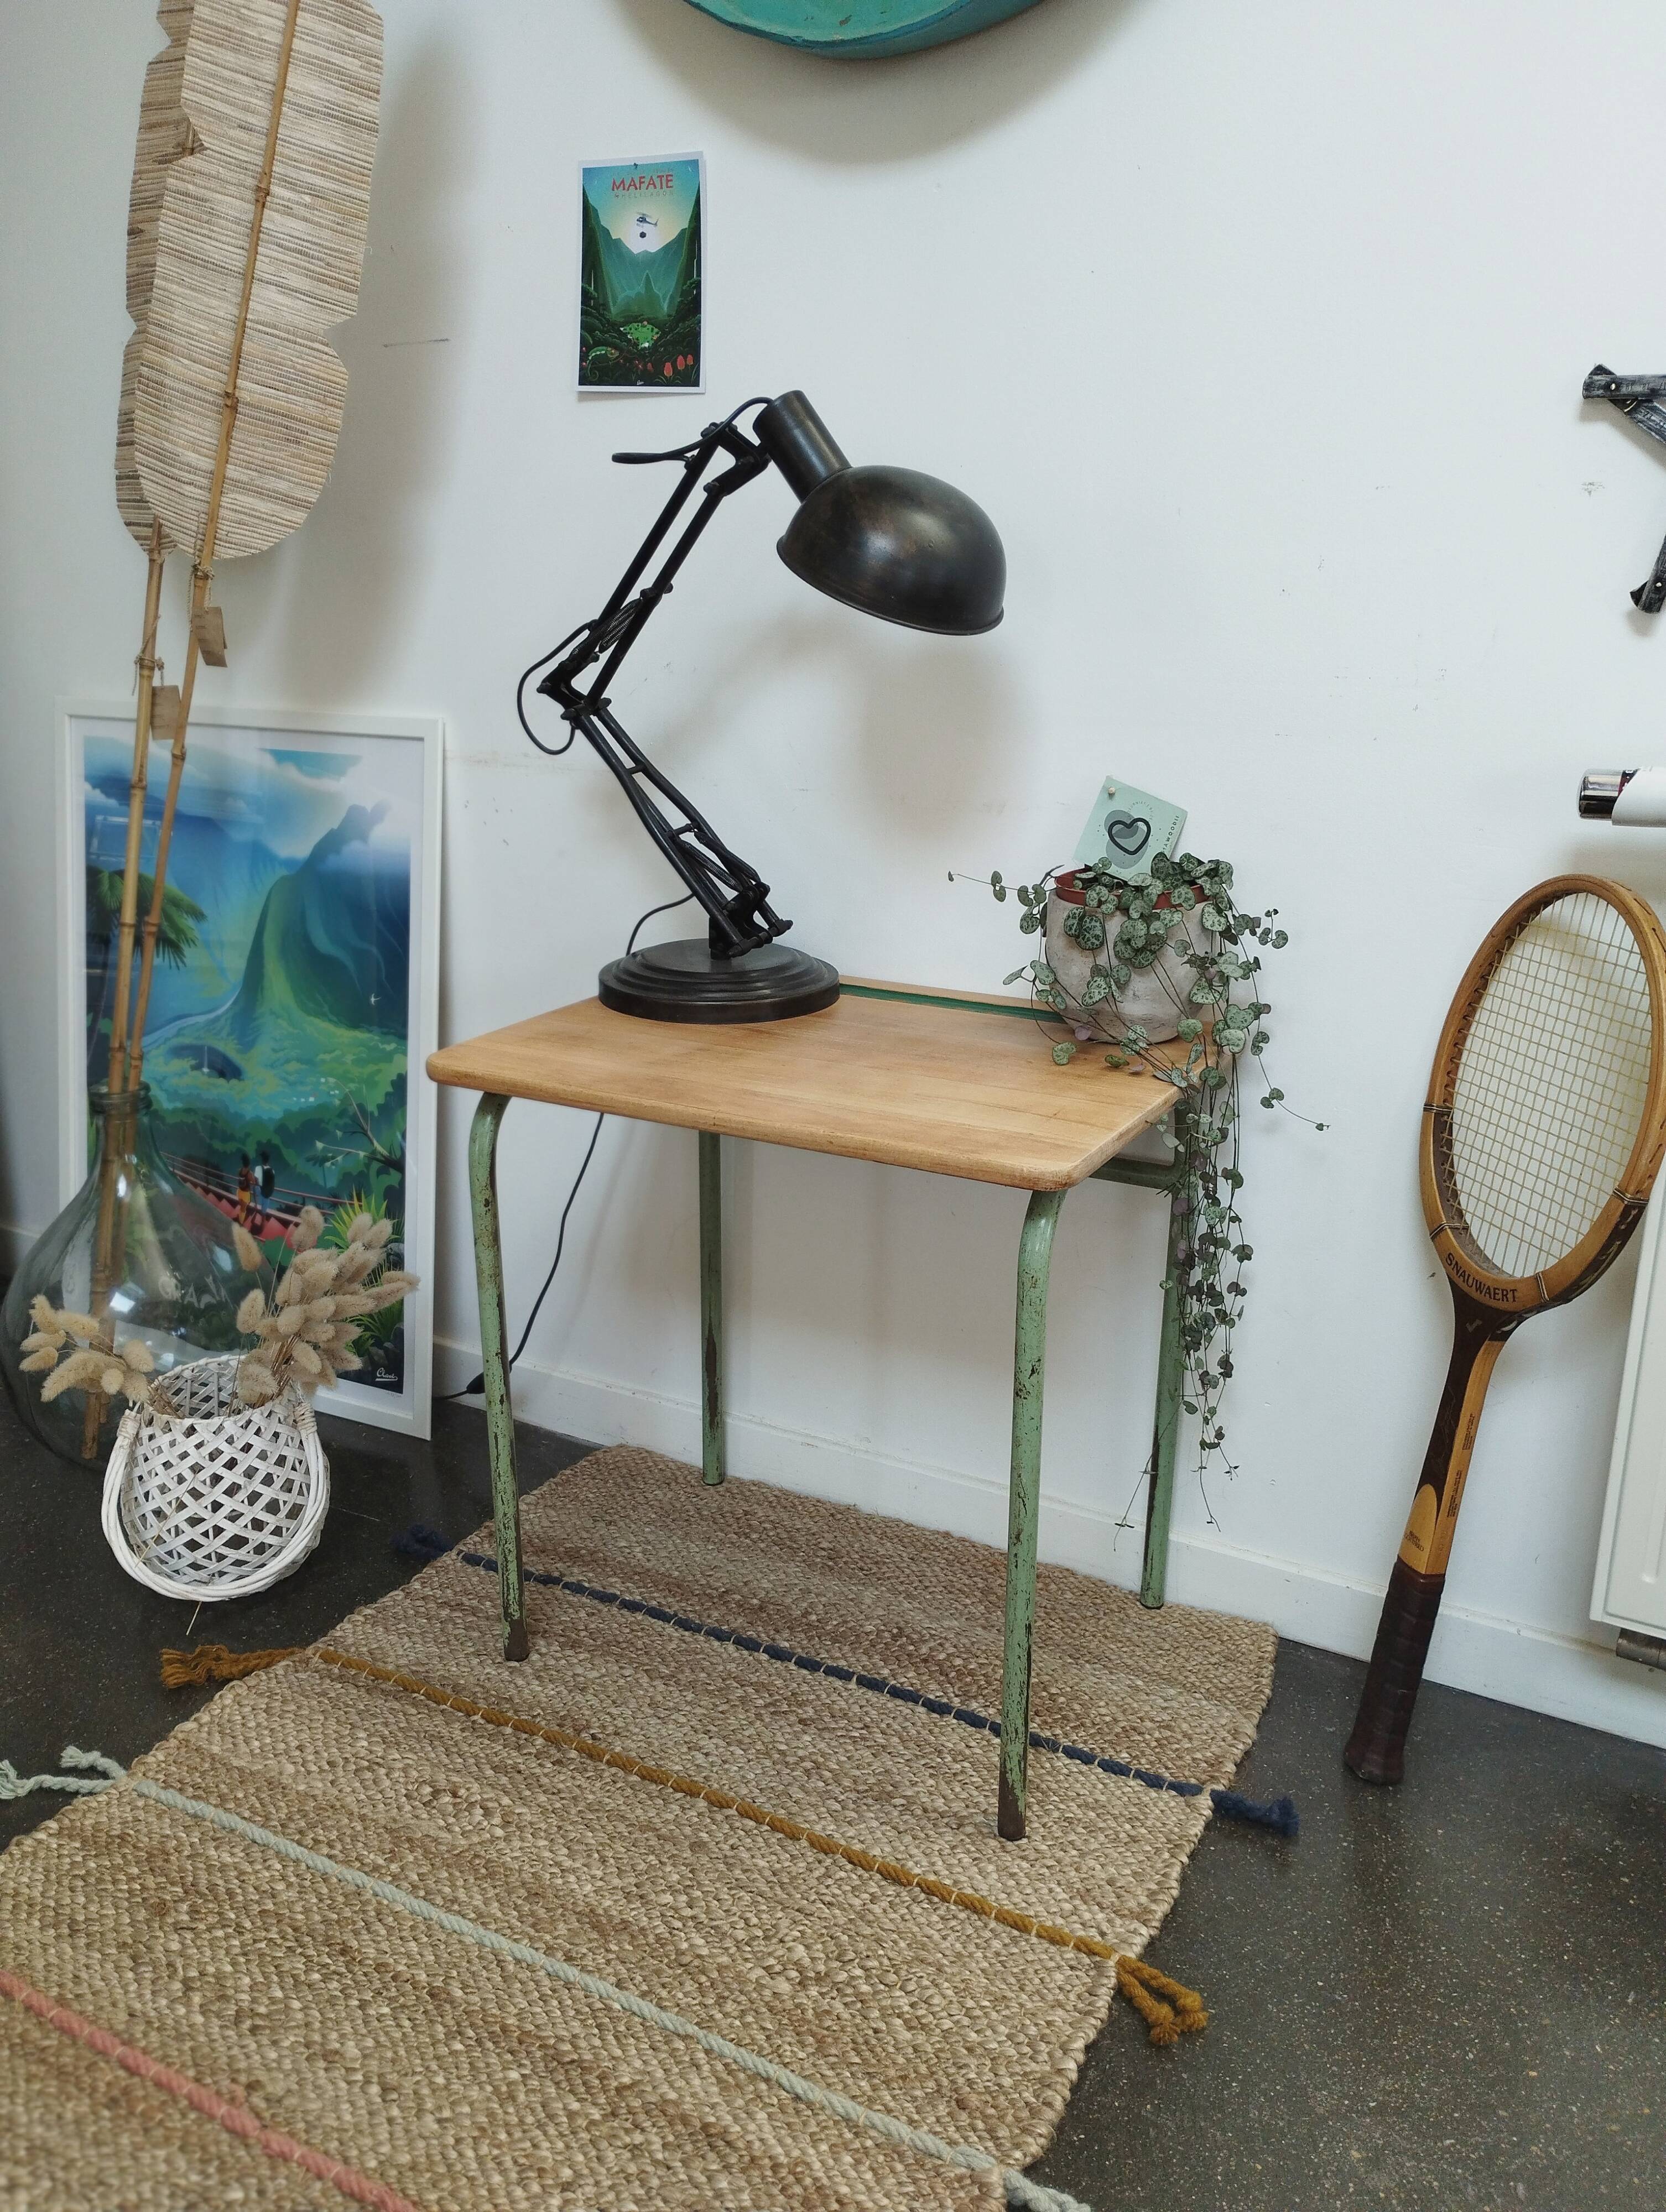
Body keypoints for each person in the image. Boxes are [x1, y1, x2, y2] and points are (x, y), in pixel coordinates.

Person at [235, 1155, 254, 1224]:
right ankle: (241, 1222)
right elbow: (254, 1182)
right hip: (245, 1194)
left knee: (241, 1207)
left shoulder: (240, 1170)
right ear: (249, 1164)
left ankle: (240, 1218)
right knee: (243, 1209)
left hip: (239, 1191)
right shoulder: (250, 1173)